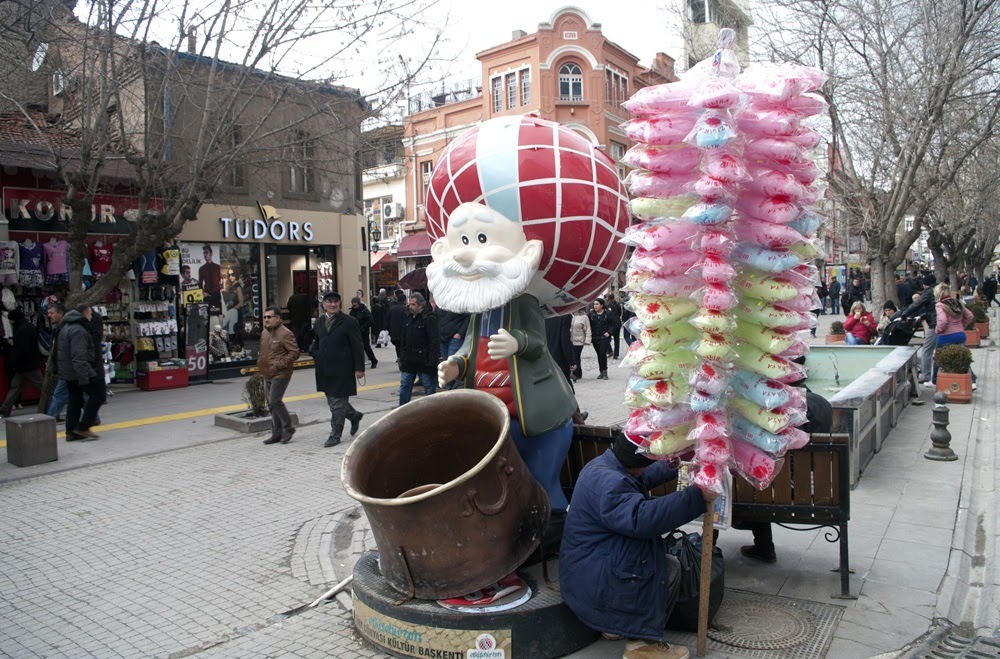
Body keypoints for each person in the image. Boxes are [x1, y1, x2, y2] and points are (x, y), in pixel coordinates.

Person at [559, 433, 717, 659]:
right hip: (593, 583)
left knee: (652, 553)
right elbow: (643, 519)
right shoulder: (612, 485)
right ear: (636, 466)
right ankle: (641, 646)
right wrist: (697, 497)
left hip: (585, 572)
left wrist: (678, 461)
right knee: (668, 568)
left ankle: (616, 624)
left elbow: (647, 474)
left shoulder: (605, 466)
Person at [740, 370, 834, 563]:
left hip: (784, 491)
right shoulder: (823, 403)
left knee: (756, 484)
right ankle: (763, 546)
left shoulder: (783, 410)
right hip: (819, 492)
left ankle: (764, 546)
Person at [310, 292, 365, 447]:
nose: (333, 304)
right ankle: (354, 416)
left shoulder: (349, 321)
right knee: (333, 401)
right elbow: (317, 341)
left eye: (336, 301)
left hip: (343, 369)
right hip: (325, 369)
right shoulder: (320, 321)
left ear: (340, 303)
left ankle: (335, 435)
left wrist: (359, 368)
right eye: (329, 302)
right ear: (324, 304)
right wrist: (315, 354)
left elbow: (357, 345)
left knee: (336, 403)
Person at [57, 304, 104, 441]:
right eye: (90, 314)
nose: (91, 317)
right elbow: (79, 356)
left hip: (68, 372)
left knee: (75, 399)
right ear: (84, 314)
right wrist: (84, 377)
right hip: (79, 371)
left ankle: (71, 431)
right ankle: (83, 427)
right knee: (98, 395)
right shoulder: (79, 331)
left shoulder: (65, 327)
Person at [258, 305, 300, 445]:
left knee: (275, 400)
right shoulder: (264, 333)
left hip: (281, 372)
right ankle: (276, 433)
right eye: (264, 317)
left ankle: (288, 428)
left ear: (277, 318)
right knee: (271, 404)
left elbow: (295, 352)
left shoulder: (285, 333)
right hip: (267, 372)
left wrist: (280, 364)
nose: (266, 320)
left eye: (269, 317)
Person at [0, 308, 43, 417]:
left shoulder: (20, 330)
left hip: (25, 365)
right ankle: (4, 409)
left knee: (16, 387)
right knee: (40, 386)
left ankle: (4, 410)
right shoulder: (30, 327)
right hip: (31, 363)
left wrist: (13, 362)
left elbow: (20, 350)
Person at [398, 292, 439, 405]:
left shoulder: (429, 318)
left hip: (424, 360)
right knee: (405, 385)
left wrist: (432, 361)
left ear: (421, 305)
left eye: (413, 304)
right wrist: (402, 357)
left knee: (429, 386)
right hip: (409, 359)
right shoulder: (408, 317)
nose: (410, 307)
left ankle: (431, 410)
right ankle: (402, 411)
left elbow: (434, 341)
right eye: (409, 304)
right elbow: (403, 339)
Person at [932, 283, 976, 389]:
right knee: (961, 358)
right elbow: (970, 316)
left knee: (938, 358)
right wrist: (962, 326)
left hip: (945, 336)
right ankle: (972, 381)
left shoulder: (940, 305)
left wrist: (938, 330)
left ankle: (934, 380)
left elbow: (942, 321)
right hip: (960, 335)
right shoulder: (957, 302)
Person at [900, 274, 938, 384]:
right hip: (942, 322)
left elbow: (917, 304)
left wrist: (904, 314)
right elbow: (933, 308)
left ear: (926, 284)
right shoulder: (939, 290)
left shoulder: (929, 292)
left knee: (927, 349)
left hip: (935, 324)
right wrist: (924, 316)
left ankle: (926, 375)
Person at [588, 298, 616, 380]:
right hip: (595, 337)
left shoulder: (608, 313)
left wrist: (609, 332)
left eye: (597, 304)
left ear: (602, 305)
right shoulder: (591, 314)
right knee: (599, 354)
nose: (595, 306)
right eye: (594, 304)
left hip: (604, 338)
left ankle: (605, 372)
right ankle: (601, 371)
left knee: (602, 353)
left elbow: (614, 324)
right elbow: (587, 324)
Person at [545, 314, 575, 384]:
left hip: (546, 357)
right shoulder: (565, 316)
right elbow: (565, 340)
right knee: (565, 385)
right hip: (559, 358)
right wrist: (571, 361)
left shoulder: (543, 315)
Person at [349, 297, 378, 368]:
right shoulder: (352, 312)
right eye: (353, 305)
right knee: (356, 347)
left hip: (363, 332)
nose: (354, 306)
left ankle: (373, 360)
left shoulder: (364, 311)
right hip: (355, 332)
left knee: (366, 347)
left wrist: (363, 327)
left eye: (355, 305)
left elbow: (370, 320)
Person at [198, 245, 222, 315]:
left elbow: (219, 279)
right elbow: (200, 283)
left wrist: (219, 288)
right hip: (207, 293)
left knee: (217, 312)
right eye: (204, 253)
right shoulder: (202, 269)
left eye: (206, 253)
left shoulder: (217, 267)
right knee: (207, 314)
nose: (205, 255)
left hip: (216, 293)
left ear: (210, 254)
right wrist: (202, 293)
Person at [569, 308, 592, 381]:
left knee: (576, 356)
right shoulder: (568, 316)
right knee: (573, 356)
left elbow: (588, 329)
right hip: (569, 341)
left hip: (579, 341)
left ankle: (576, 373)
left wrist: (587, 340)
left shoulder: (584, 317)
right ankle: (578, 372)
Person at [386, 289, 408, 361]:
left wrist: (389, 330)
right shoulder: (406, 309)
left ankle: (399, 359)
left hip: (394, 333)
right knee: (404, 348)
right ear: (405, 301)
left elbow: (387, 321)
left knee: (398, 347)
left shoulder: (392, 309)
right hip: (403, 333)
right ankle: (402, 360)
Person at [222, 269, 244, 336]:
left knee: (234, 331)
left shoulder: (237, 287)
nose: (230, 277)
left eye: (232, 275)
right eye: (229, 275)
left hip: (236, 312)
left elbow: (241, 303)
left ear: (236, 275)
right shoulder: (231, 286)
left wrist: (233, 309)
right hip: (231, 312)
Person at [605, 292, 623, 359]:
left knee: (606, 338)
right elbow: (620, 313)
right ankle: (616, 354)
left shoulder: (606, 304)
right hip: (617, 323)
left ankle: (609, 351)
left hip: (610, 324)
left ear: (607, 297)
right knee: (616, 339)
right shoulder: (617, 304)